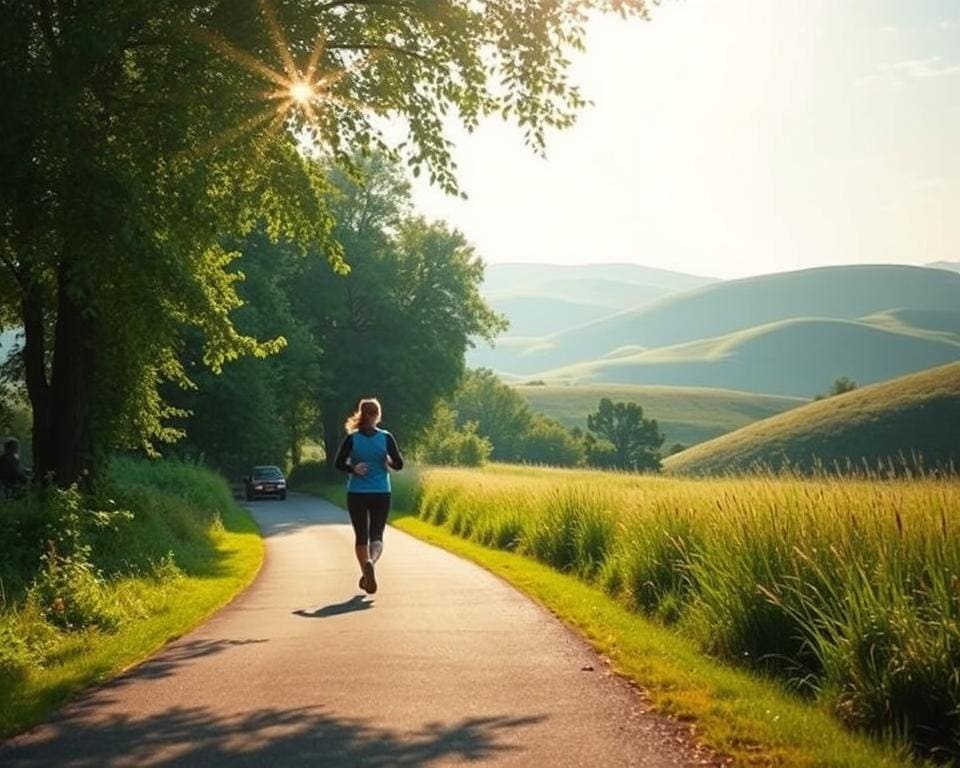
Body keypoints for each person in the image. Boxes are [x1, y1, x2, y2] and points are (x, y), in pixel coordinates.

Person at [334, 398, 404, 595]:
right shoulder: (386, 437)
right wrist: (388, 460)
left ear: (361, 415)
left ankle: (366, 571)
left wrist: (353, 468)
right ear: (377, 415)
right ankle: (371, 562)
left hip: (357, 493)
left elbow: (338, 463)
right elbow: (399, 464)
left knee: (361, 536)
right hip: (382, 492)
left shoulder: (352, 439)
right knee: (377, 535)